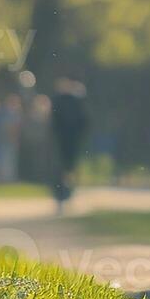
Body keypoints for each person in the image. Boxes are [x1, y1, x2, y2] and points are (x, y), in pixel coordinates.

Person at [48, 75, 90, 207]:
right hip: (64, 141)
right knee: (65, 169)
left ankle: (66, 193)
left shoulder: (68, 101)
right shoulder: (64, 101)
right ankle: (63, 194)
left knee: (66, 168)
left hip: (67, 141)